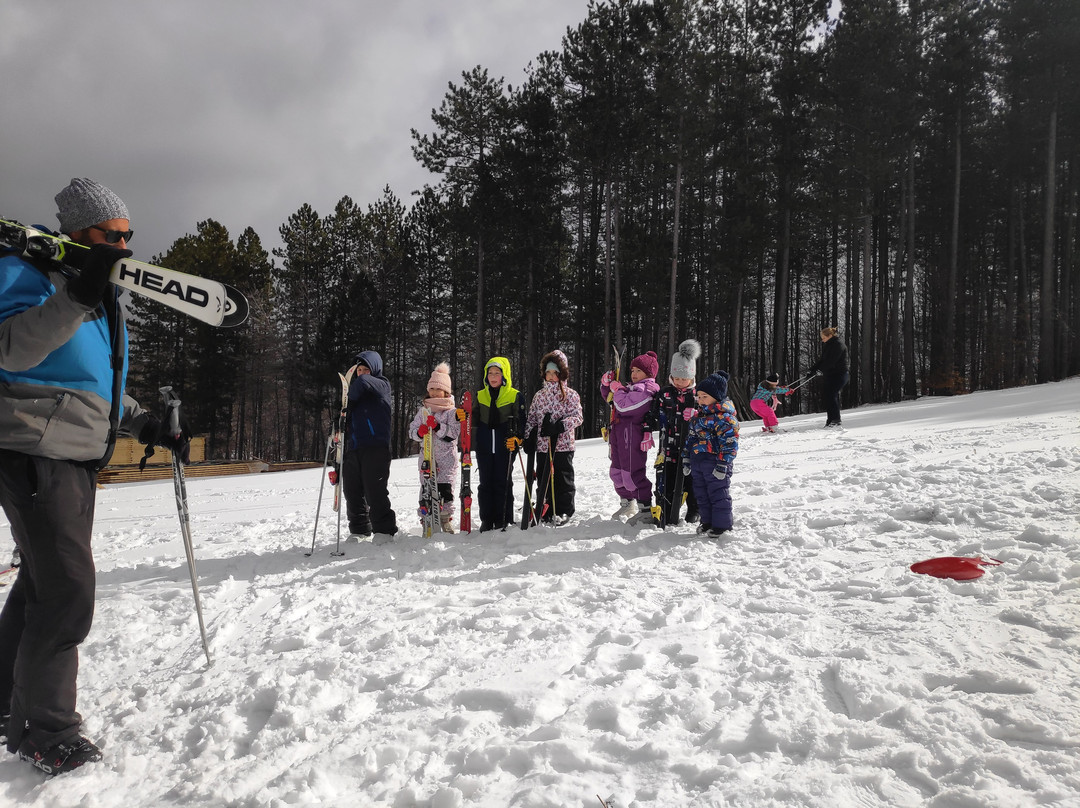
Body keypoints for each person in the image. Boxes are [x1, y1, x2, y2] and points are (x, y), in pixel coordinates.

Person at [0, 178, 189, 774]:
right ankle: (43, 731)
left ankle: (5, 701)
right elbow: (10, 349)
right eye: (113, 235)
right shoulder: (25, 273)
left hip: (75, 456)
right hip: (36, 449)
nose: (125, 246)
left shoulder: (95, 293)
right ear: (78, 231)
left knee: (42, 584)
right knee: (66, 591)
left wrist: (144, 422)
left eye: (130, 235)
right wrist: (78, 295)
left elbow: (92, 382)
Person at [464, 357, 527, 532]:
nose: (493, 377)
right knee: (485, 483)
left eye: (497, 373)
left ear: (504, 375)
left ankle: (503, 518)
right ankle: (487, 519)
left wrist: (518, 438)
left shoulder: (514, 395)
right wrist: (463, 415)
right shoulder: (480, 395)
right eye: (490, 373)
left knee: (502, 481)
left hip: (505, 446)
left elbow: (522, 422)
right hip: (484, 445)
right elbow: (472, 419)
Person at [343, 350, 398, 541]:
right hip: (354, 447)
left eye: (366, 369)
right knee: (352, 490)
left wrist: (349, 398)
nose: (362, 373)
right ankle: (359, 529)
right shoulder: (356, 395)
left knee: (374, 490)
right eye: (359, 370)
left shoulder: (382, 385)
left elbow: (364, 382)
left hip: (376, 447)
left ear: (375, 369)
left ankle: (384, 530)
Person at [524, 350, 584, 525]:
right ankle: (545, 508)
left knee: (562, 479)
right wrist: (529, 437)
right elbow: (532, 418)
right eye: (548, 372)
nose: (551, 376)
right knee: (544, 478)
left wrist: (560, 426)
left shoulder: (570, 395)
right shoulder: (539, 396)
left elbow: (578, 417)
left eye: (555, 372)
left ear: (562, 373)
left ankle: (564, 510)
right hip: (543, 445)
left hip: (563, 445)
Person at [601, 350, 661, 524]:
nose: (634, 374)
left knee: (632, 473)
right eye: (633, 370)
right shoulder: (632, 388)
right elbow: (613, 402)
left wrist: (618, 390)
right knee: (617, 472)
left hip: (632, 436)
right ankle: (627, 503)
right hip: (618, 433)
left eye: (638, 371)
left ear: (649, 374)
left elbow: (625, 406)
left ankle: (645, 508)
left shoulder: (647, 390)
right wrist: (606, 385)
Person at [648, 339, 701, 525]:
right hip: (668, 447)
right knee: (667, 479)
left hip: (691, 448)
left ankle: (694, 510)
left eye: (684, 379)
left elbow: (707, 416)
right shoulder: (665, 394)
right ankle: (666, 509)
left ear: (691, 378)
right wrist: (647, 428)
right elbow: (653, 413)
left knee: (692, 480)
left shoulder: (697, 396)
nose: (679, 382)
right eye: (676, 378)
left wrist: (696, 414)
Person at [682, 370, 740, 538]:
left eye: (704, 397)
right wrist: (687, 458)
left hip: (716, 463)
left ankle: (722, 525)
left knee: (718, 494)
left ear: (717, 397)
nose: (700, 400)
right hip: (698, 462)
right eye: (699, 397)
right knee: (701, 494)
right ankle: (707, 522)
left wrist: (723, 464)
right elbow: (691, 439)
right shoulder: (697, 418)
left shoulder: (725, 419)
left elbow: (730, 444)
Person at [407, 362, 460, 533]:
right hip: (427, 459)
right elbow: (412, 431)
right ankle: (426, 517)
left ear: (446, 391)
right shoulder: (423, 410)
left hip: (446, 459)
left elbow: (454, 433)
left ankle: (445, 518)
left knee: (445, 489)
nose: (435, 392)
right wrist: (419, 432)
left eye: (439, 389)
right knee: (426, 489)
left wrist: (437, 427)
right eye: (432, 389)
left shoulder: (451, 412)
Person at [808, 326, 849, 427]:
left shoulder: (838, 345)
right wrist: (812, 369)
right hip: (831, 375)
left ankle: (836, 420)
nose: (822, 340)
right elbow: (823, 360)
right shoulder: (828, 345)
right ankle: (830, 420)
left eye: (824, 337)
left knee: (831, 394)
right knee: (828, 395)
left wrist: (820, 370)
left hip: (840, 374)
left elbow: (831, 361)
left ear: (830, 335)